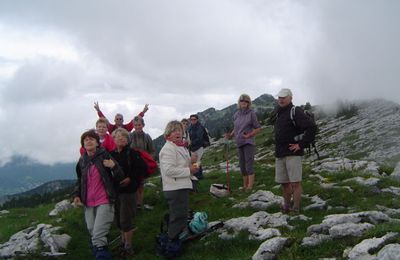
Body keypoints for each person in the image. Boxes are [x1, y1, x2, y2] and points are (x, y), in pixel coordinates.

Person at [72, 129, 125, 259]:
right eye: (86, 140)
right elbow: (79, 180)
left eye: (91, 139)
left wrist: (114, 166)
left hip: (105, 200)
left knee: (98, 234)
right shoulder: (82, 161)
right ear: (83, 145)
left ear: (97, 143)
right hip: (88, 202)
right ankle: (101, 250)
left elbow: (120, 176)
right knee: (92, 230)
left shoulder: (104, 155)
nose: (88, 141)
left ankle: (101, 254)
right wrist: (76, 195)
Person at [159, 120, 198, 256]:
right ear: (168, 134)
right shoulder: (168, 149)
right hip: (174, 188)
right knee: (178, 216)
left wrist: (191, 161)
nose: (177, 132)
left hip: (180, 186)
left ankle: (173, 238)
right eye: (174, 130)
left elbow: (180, 164)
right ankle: (171, 244)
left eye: (179, 130)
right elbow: (169, 170)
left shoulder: (180, 146)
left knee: (180, 214)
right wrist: (189, 170)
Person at [274, 88, 316, 214]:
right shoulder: (279, 113)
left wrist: (301, 145)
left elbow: (312, 127)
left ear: (290, 98)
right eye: (279, 97)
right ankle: (286, 206)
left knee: (295, 183)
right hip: (280, 152)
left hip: (293, 153)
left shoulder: (295, 111)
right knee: (284, 183)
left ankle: (296, 208)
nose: (281, 100)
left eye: (283, 97)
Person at [111, 128, 147, 257]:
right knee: (119, 220)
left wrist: (130, 178)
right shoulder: (111, 154)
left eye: (124, 136)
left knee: (126, 220)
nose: (121, 138)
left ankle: (128, 246)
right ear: (113, 139)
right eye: (118, 136)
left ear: (127, 140)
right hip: (116, 192)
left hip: (129, 192)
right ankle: (123, 242)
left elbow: (143, 168)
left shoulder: (132, 153)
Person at [226, 94, 261, 192]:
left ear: (249, 103)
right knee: (242, 165)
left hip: (248, 142)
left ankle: (250, 186)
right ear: (239, 102)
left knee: (248, 164)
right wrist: (231, 135)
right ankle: (244, 185)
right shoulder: (236, 114)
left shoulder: (251, 113)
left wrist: (250, 135)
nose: (244, 103)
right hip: (239, 142)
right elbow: (236, 127)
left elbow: (258, 128)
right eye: (242, 101)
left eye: (246, 101)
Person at [129, 116, 155, 210]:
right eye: (135, 125)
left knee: (140, 184)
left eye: (139, 125)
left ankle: (139, 203)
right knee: (133, 184)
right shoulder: (129, 136)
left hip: (143, 164)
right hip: (131, 164)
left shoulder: (147, 137)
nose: (137, 127)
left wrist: (148, 160)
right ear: (133, 126)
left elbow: (152, 150)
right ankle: (134, 203)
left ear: (143, 125)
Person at [187, 114, 208, 179]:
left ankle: (198, 176)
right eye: (191, 119)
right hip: (193, 146)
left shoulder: (200, 127)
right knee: (195, 161)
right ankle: (198, 175)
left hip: (199, 145)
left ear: (197, 120)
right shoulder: (190, 127)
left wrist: (191, 143)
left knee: (197, 161)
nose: (193, 121)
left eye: (194, 119)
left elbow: (200, 138)